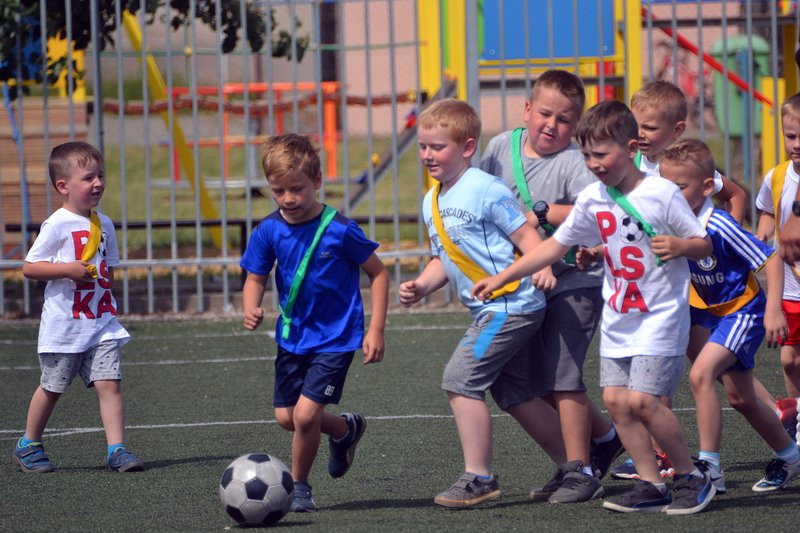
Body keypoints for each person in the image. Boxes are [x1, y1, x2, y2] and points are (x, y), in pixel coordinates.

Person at [472, 100, 717, 515]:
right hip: (620, 317)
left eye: (601, 154)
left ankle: (692, 476)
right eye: (587, 155)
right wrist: (504, 276)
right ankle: (650, 483)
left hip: (660, 317)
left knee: (643, 402)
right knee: (617, 402)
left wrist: (680, 246)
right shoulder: (593, 197)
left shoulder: (661, 192)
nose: (593, 163)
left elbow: (703, 243)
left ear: (631, 146)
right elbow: (555, 244)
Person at [399, 98, 571, 509]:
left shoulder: (488, 189)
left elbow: (529, 239)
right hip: (492, 309)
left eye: (438, 147)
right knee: (515, 393)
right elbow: (446, 256)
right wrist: (422, 285)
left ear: (468, 147)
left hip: (510, 306)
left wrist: (542, 268)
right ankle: (575, 467)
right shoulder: (432, 199)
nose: (428, 155)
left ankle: (479, 477)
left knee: (460, 380)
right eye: (423, 147)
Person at [480, 69, 623, 503]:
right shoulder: (500, 147)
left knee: (563, 377)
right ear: (527, 109)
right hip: (524, 286)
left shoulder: (577, 162)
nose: (551, 126)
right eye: (544, 113)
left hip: (574, 281)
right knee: (542, 381)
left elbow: (594, 216)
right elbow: (484, 199)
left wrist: (539, 219)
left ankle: (580, 472)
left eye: (564, 120)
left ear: (577, 124)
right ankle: (603, 441)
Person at [240, 133, 389, 513]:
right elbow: (255, 276)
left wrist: (375, 329)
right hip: (293, 336)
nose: (288, 199)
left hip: (337, 337)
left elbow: (379, 273)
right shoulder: (269, 229)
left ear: (317, 182)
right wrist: (251, 306)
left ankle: (299, 487)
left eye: (297, 189)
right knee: (286, 418)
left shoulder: (339, 229)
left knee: (305, 416)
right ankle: (344, 429)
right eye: (278, 191)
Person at [660, 139, 800, 493]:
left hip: (743, 312)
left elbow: (771, 259)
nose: (670, 195)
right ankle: (791, 455)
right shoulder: (673, 220)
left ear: (707, 186)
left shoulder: (719, 225)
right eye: (665, 187)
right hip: (711, 314)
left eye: (679, 187)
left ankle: (710, 467)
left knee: (701, 374)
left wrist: (773, 310)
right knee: (741, 399)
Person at [14, 141, 143, 474]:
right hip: (65, 326)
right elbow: (31, 267)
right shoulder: (56, 224)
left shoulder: (105, 225)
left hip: (100, 323)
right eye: (88, 178)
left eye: (100, 175)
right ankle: (29, 443)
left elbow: (108, 269)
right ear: (63, 186)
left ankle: (117, 449)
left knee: (109, 382)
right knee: (53, 387)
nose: (97, 183)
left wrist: (105, 292)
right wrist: (67, 270)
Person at [630, 80, 747, 223]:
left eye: (650, 128)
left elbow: (736, 194)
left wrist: (730, 235)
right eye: (634, 125)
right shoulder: (631, 163)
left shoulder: (687, 164)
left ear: (677, 130)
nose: (639, 134)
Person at [756, 91, 800, 442]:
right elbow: (768, 211)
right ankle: (797, 414)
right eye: (790, 135)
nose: (796, 143)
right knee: (789, 360)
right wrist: (759, 241)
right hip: (788, 286)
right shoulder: (778, 175)